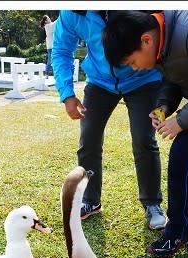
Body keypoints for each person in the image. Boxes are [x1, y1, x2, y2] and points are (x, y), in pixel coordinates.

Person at [102, 10, 188, 256]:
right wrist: (164, 106)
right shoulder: (163, 40)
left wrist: (181, 121)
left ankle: (180, 230)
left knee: (184, 152)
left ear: (146, 41)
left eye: (131, 62)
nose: (135, 69)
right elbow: (175, 77)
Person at [51, 10, 166, 230]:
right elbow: (62, 50)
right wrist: (67, 93)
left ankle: (152, 204)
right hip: (99, 82)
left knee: (143, 138)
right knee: (89, 139)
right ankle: (90, 200)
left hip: (143, 78)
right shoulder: (72, 12)